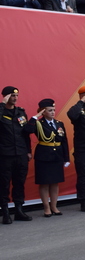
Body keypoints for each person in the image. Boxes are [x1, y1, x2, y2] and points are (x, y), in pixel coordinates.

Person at [23, 98, 69, 217]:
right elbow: (26, 130)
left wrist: (66, 158)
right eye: (50, 110)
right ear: (43, 112)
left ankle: (54, 206)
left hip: (57, 155)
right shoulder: (38, 123)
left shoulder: (59, 123)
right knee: (44, 183)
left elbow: (64, 141)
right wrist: (35, 117)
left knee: (55, 183)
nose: (53, 112)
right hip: (44, 156)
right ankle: (46, 207)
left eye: (53, 110)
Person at [0, 86, 32, 223]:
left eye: (16, 96)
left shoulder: (21, 113)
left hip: (20, 153)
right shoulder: (1, 112)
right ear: (6, 97)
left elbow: (26, 134)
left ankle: (19, 210)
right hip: (5, 154)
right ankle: (5, 212)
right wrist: (2, 104)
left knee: (19, 183)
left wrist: (28, 151)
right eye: (12, 96)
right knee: (4, 184)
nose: (15, 98)